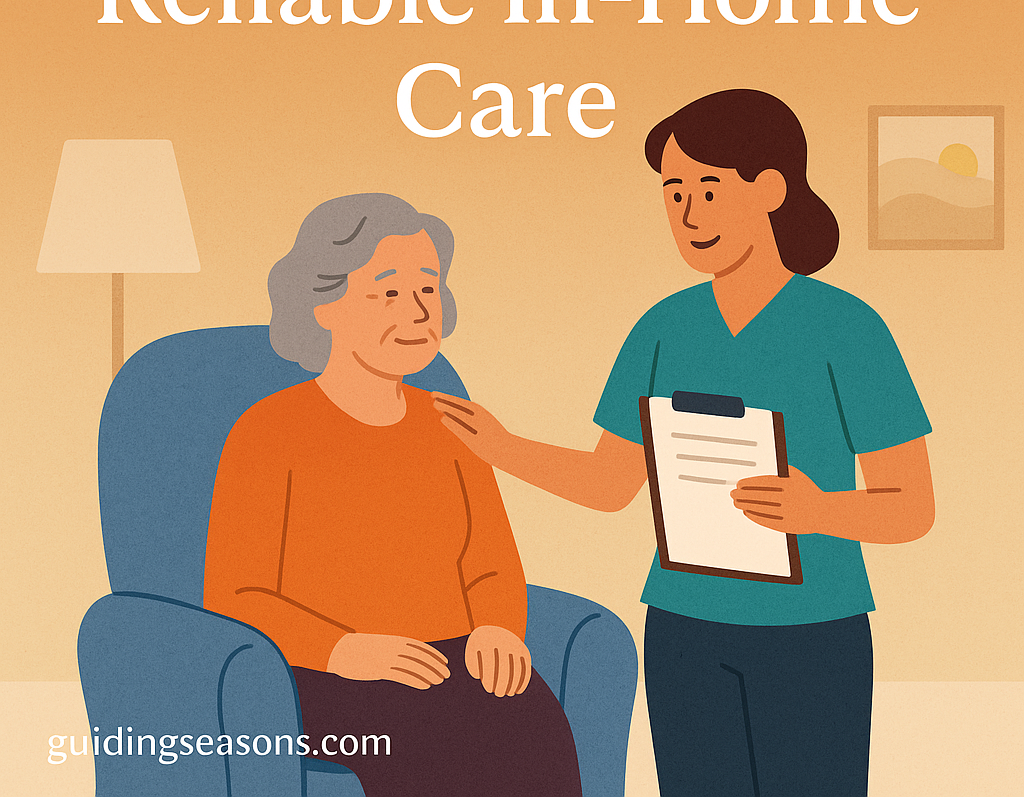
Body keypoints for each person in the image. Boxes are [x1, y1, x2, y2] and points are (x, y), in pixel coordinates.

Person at [433, 90, 935, 797]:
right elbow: (611, 486)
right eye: (673, 192)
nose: (688, 213)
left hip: (812, 634)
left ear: (769, 190)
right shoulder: (663, 329)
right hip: (684, 631)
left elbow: (912, 508)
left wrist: (818, 511)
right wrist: (504, 446)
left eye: (708, 188)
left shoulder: (847, 329)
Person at [204, 193, 582, 797]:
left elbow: (489, 562)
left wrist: (499, 628)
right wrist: (342, 651)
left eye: (427, 291)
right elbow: (236, 593)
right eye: (387, 293)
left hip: (451, 659)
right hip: (320, 675)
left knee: (530, 719)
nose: (415, 313)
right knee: (415, 738)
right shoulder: (269, 431)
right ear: (323, 307)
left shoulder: (451, 424)